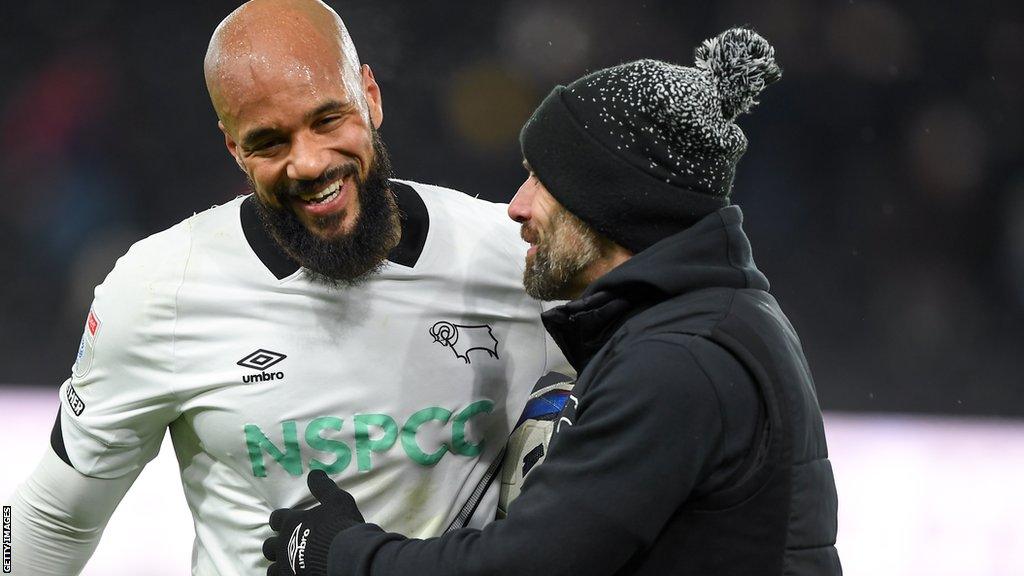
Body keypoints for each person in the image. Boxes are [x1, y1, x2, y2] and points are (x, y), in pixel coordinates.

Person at [7, 1, 568, 574]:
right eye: (270, 142)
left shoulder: (516, 257)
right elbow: (51, 517)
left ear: (369, 96)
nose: (308, 162)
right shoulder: (158, 292)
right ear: (233, 148)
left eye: (327, 120)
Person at [261, 27, 842, 576]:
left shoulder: (677, 361)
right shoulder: (715, 321)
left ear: (609, 203)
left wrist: (345, 554)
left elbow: (521, 569)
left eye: (541, 180)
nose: (516, 206)